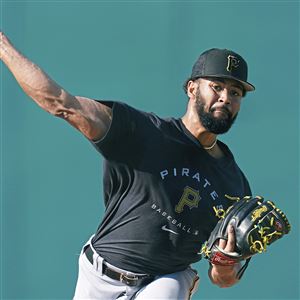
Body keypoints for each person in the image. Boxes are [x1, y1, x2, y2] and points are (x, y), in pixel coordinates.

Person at [1, 31, 255, 299]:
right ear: (192, 88)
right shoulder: (143, 132)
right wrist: (3, 47)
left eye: (235, 92)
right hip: (98, 275)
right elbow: (61, 103)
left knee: (170, 287)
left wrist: (224, 263)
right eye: (216, 86)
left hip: (165, 280)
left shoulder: (234, 185)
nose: (226, 97)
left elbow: (223, 278)